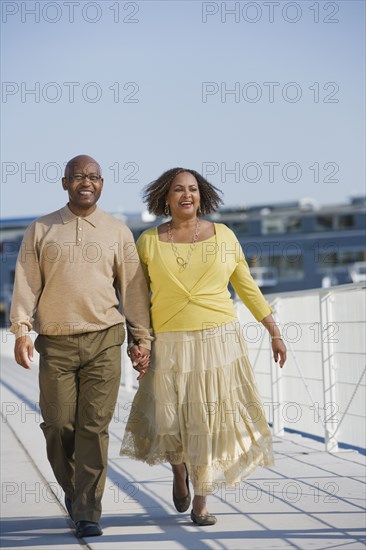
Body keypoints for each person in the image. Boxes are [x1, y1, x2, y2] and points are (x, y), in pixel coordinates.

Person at [120, 167, 287, 525]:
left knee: (207, 424)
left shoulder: (224, 236)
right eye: (178, 189)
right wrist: (139, 340)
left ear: (202, 195)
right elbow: (135, 298)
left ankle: (201, 500)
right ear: (165, 197)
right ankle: (179, 471)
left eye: (193, 189)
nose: (186, 195)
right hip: (169, 342)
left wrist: (273, 329)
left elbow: (245, 286)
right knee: (169, 421)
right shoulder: (149, 240)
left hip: (218, 342)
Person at [10, 155, 152, 538]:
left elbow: (133, 290)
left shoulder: (118, 231)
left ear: (102, 184)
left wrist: (142, 337)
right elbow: (26, 282)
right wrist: (21, 329)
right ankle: (75, 492)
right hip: (55, 343)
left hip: (105, 337)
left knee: (94, 427)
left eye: (92, 176)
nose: (85, 182)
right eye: (77, 177)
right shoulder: (40, 229)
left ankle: (89, 509)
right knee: (58, 425)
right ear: (64, 183)